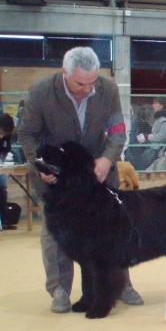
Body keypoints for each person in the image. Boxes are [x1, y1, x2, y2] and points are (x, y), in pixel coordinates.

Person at [17, 46, 143, 312]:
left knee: (114, 230)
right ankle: (60, 290)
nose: (88, 88)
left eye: (92, 82)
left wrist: (108, 158)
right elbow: (27, 135)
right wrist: (41, 165)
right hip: (56, 181)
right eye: (80, 83)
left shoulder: (107, 90)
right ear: (64, 73)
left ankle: (121, 285)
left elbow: (118, 133)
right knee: (56, 233)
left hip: (98, 175)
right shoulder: (40, 92)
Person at [136, 96, 166, 169]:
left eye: (155, 103)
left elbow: (162, 137)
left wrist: (148, 136)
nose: (153, 105)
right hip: (154, 148)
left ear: (161, 106)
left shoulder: (163, 120)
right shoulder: (158, 119)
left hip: (157, 150)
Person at [0, 113, 14, 229]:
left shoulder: (7, 132)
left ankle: (4, 220)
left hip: (1, 161)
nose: (1, 136)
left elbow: (7, 148)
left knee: (2, 187)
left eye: (3, 134)